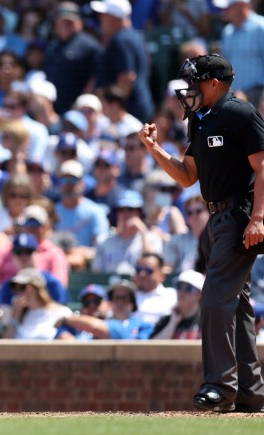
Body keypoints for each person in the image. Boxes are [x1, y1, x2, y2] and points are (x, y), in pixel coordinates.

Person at [138, 53, 264, 412]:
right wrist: (154, 148)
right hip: (216, 219)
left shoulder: (240, 113)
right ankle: (250, 392)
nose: (187, 91)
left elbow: (263, 165)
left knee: (213, 298)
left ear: (213, 83)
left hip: (240, 214)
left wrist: (259, 217)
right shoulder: (200, 120)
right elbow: (187, 175)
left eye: (194, 83)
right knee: (236, 304)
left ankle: (220, 386)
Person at [2, 267, 73, 340]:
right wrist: (15, 317)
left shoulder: (62, 312)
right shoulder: (19, 316)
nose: (19, 293)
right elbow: (5, 346)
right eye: (15, 288)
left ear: (37, 288)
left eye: (23, 287)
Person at [150, 269, 205, 339]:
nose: (182, 292)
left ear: (199, 294)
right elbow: (154, 348)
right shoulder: (167, 319)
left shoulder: (208, 321)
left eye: (189, 288)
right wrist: (172, 323)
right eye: (179, 286)